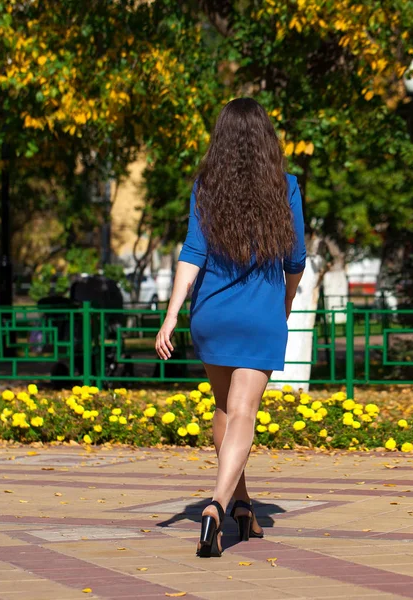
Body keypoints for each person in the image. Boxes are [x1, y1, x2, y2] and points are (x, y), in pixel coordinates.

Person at [154, 98, 306, 557]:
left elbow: (191, 254)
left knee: (224, 410)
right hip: (259, 316)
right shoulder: (286, 186)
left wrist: (172, 313)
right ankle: (217, 506)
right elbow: (295, 260)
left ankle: (243, 507)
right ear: (266, 140)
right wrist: (285, 303)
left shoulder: (206, 187)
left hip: (212, 316)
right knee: (242, 413)